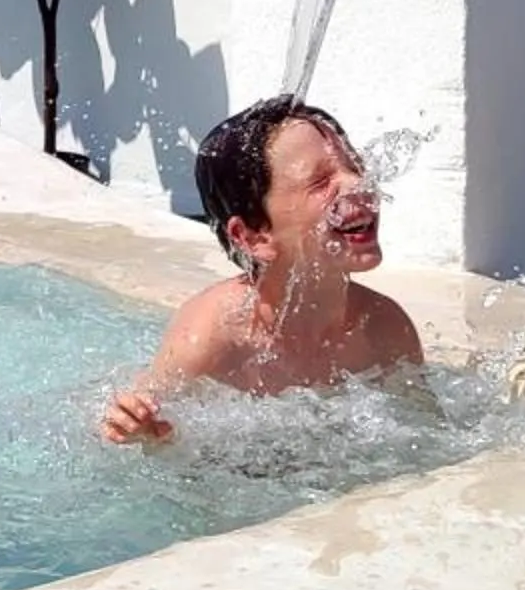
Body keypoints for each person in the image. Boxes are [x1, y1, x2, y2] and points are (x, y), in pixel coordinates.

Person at [101, 96, 425, 443]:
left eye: (356, 167)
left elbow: (426, 436)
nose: (358, 185)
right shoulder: (210, 339)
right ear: (253, 236)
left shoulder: (385, 328)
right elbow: (137, 425)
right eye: (320, 182)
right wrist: (134, 427)